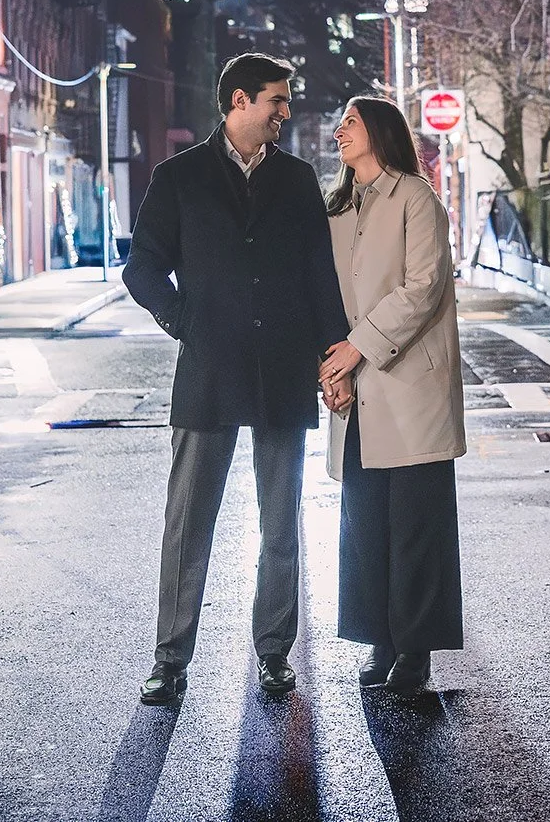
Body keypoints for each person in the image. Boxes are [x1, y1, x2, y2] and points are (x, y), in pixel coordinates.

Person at [123, 52, 355, 706]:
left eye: (286, 100)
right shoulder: (179, 178)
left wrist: (332, 355)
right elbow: (141, 266)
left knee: (280, 521)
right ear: (239, 101)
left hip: (283, 369)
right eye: (277, 100)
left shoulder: (297, 178)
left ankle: (274, 653)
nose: (286, 111)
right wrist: (181, 317)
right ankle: (170, 659)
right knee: (188, 522)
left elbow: (320, 277)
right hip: (208, 370)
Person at [318, 95, 465, 701]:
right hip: (356, 387)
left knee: (415, 523)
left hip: (409, 386)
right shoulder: (336, 208)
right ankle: (380, 636)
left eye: (349, 123)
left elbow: (423, 288)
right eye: (339, 125)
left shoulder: (416, 197)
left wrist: (356, 350)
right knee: (367, 521)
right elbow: (326, 294)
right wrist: (332, 367)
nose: (338, 132)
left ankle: (416, 647)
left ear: (379, 132)